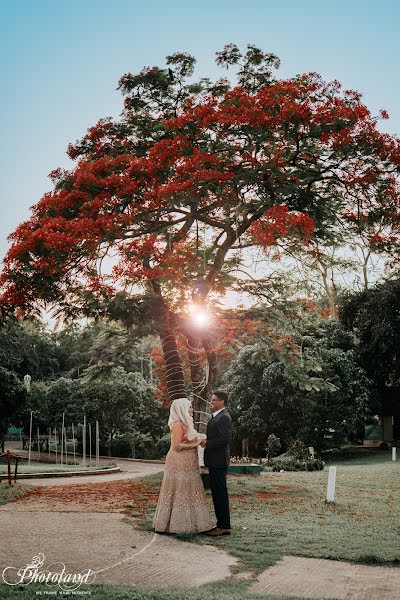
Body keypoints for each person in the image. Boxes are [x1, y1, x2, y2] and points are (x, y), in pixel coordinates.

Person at [153, 397, 213, 534]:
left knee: (189, 490)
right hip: (179, 460)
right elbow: (176, 446)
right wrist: (197, 444)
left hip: (189, 461)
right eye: (189, 407)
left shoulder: (187, 423)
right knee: (180, 489)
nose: (192, 410)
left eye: (191, 407)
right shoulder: (178, 424)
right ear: (181, 409)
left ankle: (193, 524)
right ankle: (176, 525)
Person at [201, 390, 232, 537]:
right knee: (217, 494)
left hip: (219, 462)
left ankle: (224, 526)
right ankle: (221, 524)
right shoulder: (217, 417)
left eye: (214, 400)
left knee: (220, 494)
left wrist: (207, 443)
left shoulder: (223, 417)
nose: (211, 402)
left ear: (222, 402)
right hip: (215, 461)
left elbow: (224, 439)